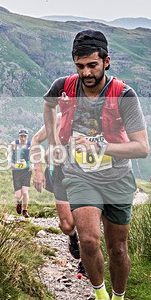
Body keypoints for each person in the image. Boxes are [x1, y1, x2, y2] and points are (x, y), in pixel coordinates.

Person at [42, 30, 149, 300]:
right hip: (79, 176)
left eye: (92, 65)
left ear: (106, 61)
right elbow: (48, 106)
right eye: (80, 66)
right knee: (88, 240)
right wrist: (53, 141)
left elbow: (141, 148)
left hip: (116, 178)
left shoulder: (125, 96)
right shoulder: (63, 87)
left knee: (117, 248)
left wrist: (101, 147)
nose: (86, 72)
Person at [30, 117, 87, 280]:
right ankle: (72, 237)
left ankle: (85, 263)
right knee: (67, 225)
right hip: (61, 175)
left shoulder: (93, 117)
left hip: (86, 176)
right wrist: (38, 171)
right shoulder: (59, 118)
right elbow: (36, 140)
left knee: (85, 220)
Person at [9, 128, 32, 218]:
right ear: (18, 136)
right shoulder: (14, 144)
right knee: (18, 195)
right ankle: (19, 202)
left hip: (26, 170)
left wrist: (32, 164)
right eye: (21, 136)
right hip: (16, 171)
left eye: (25, 136)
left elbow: (35, 154)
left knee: (25, 192)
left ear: (27, 136)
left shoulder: (30, 144)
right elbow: (8, 154)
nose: (23, 138)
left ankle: (25, 210)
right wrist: (10, 163)